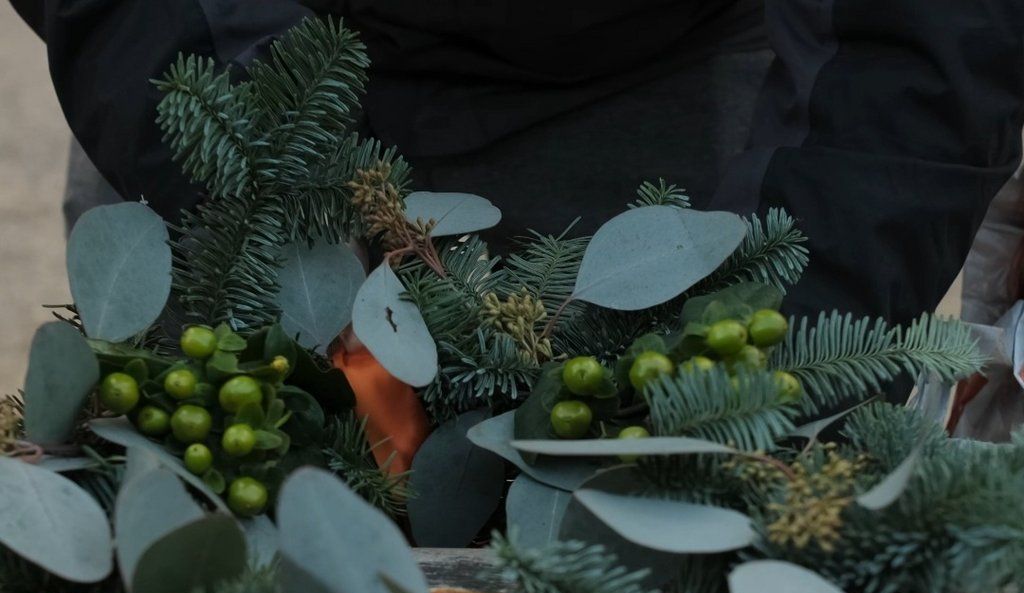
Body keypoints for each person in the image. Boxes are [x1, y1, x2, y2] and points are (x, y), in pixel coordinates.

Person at [9, 0, 1024, 330]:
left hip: (703, 77)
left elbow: (922, 23)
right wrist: (246, 157)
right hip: (230, 42)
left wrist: (794, 301)